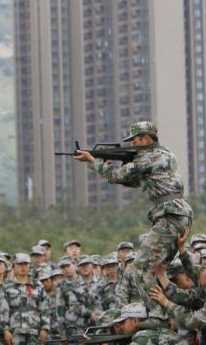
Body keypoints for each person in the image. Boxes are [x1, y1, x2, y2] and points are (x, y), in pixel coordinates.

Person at [74, 121, 192, 318]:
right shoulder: (166, 154)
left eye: (135, 140)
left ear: (145, 138)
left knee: (140, 267)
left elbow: (118, 175)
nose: (133, 144)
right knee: (158, 268)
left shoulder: (147, 157)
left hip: (169, 215)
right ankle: (170, 312)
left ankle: (158, 314)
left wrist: (93, 162)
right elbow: (138, 181)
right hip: (179, 214)